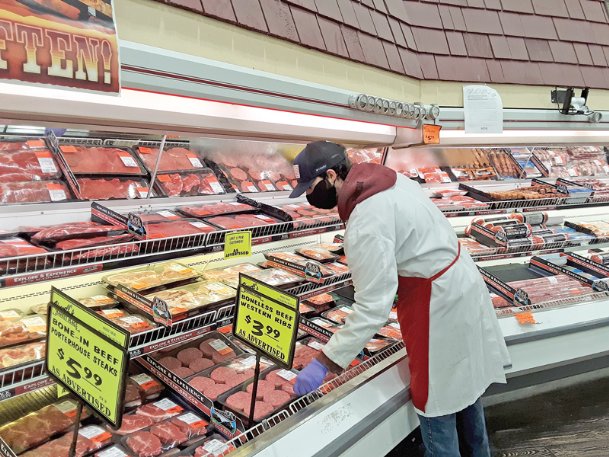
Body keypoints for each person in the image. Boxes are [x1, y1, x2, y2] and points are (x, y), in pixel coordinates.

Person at [289, 141, 511, 456]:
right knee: (465, 384)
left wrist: (325, 362)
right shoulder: (387, 179)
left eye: (311, 187)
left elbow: (372, 309)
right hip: (456, 283)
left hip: (436, 301)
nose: (311, 197)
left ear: (331, 176)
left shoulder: (366, 220)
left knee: (435, 397)